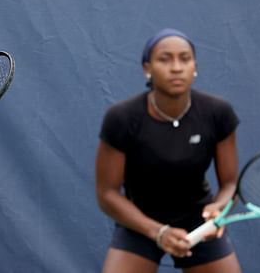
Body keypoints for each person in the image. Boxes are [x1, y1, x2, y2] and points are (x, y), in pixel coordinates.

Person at [95, 28, 242, 273]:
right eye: (165, 59)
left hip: (198, 222)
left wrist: (220, 209)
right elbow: (107, 194)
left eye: (185, 58)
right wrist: (158, 232)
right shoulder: (121, 118)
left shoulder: (218, 113)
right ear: (147, 68)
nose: (176, 67)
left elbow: (230, 184)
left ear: (194, 66)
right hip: (139, 222)